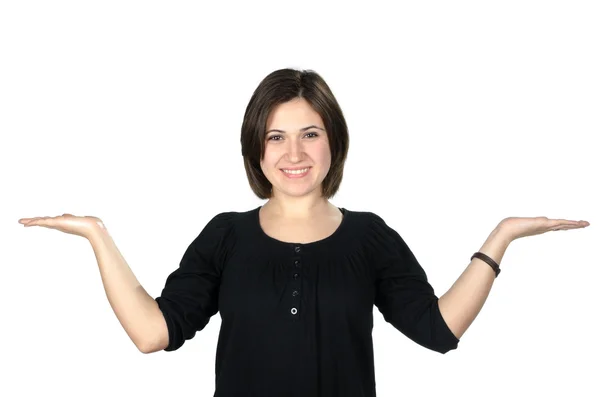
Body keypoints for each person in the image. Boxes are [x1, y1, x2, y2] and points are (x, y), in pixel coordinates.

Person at [18, 68, 590, 397]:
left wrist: (500, 238)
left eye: (310, 134)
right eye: (275, 137)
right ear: (255, 149)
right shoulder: (226, 237)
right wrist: (97, 234)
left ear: (333, 142)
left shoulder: (370, 237)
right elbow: (152, 333)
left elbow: (438, 330)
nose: (294, 153)